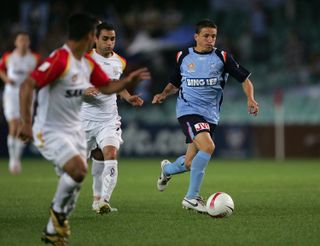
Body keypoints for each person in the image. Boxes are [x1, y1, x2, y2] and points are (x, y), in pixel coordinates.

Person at [18, 13, 150, 246]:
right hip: (51, 128)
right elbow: (28, 85)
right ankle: (58, 219)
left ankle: (57, 225)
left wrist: (127, 84)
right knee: (75, 172)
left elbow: (108, 87)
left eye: (112, 38)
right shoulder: (61, 59)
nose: (109, 42)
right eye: (100, 35)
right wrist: (26, 122)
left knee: (77, 175)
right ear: (91, 36)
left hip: (80, 127)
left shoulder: (87, 63)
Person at [152, 19, 259, 214]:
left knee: (189, 163)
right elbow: (174, 83)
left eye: (213, 36)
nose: (210, 39)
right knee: (209, 147)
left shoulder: (222, 57)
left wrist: (250, 99)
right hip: (188, 111)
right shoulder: (183, 56)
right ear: (196, 37)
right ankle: (191, 198)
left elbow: (245, 80)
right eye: (206, 36)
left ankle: (166, 170)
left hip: (210, 115)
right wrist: (163, 94)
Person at [80, 22, 144, 215]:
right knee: (78, 168)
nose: (109, 43)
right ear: (95, 39)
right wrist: (82, 91)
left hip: (108, 119)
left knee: (109, 154)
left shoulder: (120, 61)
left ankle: (102, 201)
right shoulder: (83, 60)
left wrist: (127, 96)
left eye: (113, 39)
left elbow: (116, 84)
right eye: (105, 39)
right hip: (83, 120)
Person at [0, 31, 40, 174]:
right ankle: (13, 159)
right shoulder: (8, 57)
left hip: (27, 95)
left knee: (22, 126)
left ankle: (17, 158)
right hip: (11, 94)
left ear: (28, 42)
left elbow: (40, 75)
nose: (23, 42)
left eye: (25, 40)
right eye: (20, 40)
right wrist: (6, 80)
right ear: (16, 42)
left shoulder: (35, 58)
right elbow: (1, 70)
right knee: (14, 124)